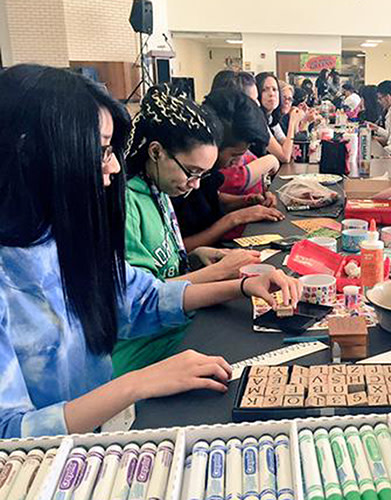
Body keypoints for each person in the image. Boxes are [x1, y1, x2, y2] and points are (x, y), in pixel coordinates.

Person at [0, 64, 301, 438]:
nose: (113, 167)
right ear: (31, 152)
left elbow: (139, 298)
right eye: (101, 150)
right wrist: (137, 383)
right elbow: (10, 434)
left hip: (99, 438)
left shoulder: (61, 235)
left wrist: (240, 286)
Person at [117, 85, 263, 376]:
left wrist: (195, 256)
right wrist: (223, 275)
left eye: (202, 175)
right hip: (146, 354)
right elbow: (140, 302)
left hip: (181, 328)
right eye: (192, 172)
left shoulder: (159, 191)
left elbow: (164, 270)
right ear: (156, 152)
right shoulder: (125, 205)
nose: (195, 185)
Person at [171, 89, 285, 251]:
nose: (238, 162)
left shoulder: (207, 174)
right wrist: (234, 218)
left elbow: (209, 199)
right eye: (234, 155)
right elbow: (177, 249)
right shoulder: (177, 179)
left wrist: (249, 201)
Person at [255, 72, 303, 164]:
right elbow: (285, 157)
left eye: (274, 89)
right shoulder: (258, 120)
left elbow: (291, 148)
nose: (271, 94)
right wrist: (292, 121)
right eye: (265, 90)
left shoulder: (271, 118)